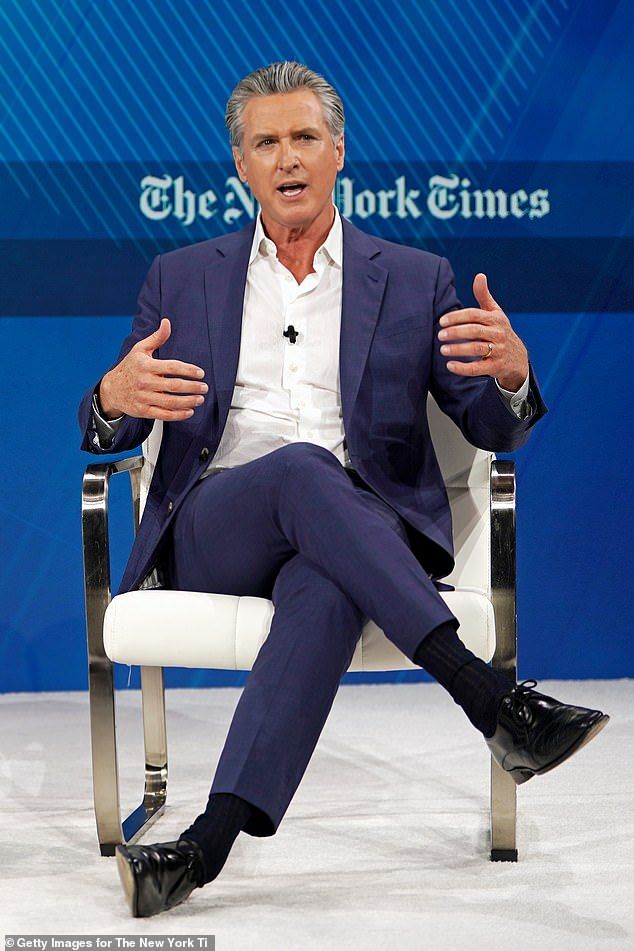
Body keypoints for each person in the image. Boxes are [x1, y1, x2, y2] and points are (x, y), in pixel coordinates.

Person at [78, 62, 609, 918]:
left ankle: (201, 849)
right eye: (266, 142)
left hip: (360, 534)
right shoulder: (180, 276)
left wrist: (513, 378)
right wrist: (112, 397)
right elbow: (113, 427)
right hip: (219, 525)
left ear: (338, 151)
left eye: (304, 137)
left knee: (324, 585)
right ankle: (490, 699)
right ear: (240, 164)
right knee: (300, 466)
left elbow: (488, 426)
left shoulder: (414, 277)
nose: (287, 157)